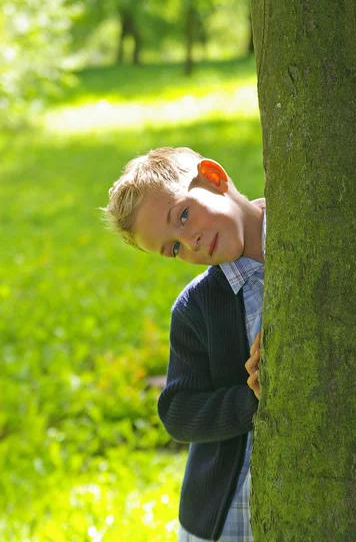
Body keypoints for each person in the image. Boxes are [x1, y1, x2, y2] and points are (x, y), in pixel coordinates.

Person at [104, 147, 264, 541]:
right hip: (227, 518)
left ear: (213, 177)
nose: (189, 243)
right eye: (173, 248)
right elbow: (177, 410)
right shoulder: (197, 308)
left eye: (183, 215)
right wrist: (252, 400)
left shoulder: (319, 242)